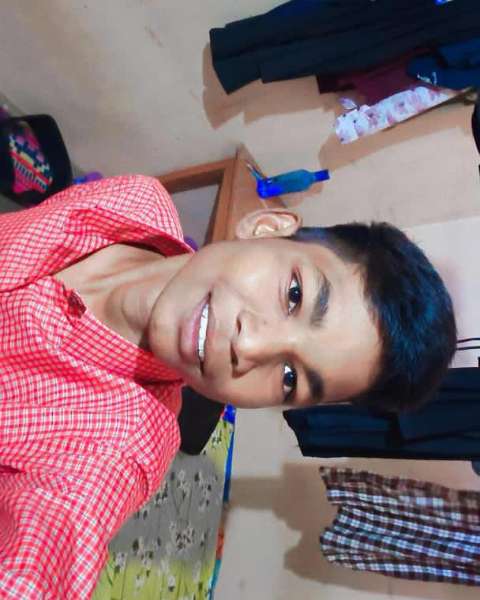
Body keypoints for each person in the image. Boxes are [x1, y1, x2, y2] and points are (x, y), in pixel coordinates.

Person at [0, 174, 456, 598]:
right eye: (294, 295)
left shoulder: (119, 449)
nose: (251, 345)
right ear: (265, 228)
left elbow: (49, 548)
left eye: (290, 378)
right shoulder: (135, 201)